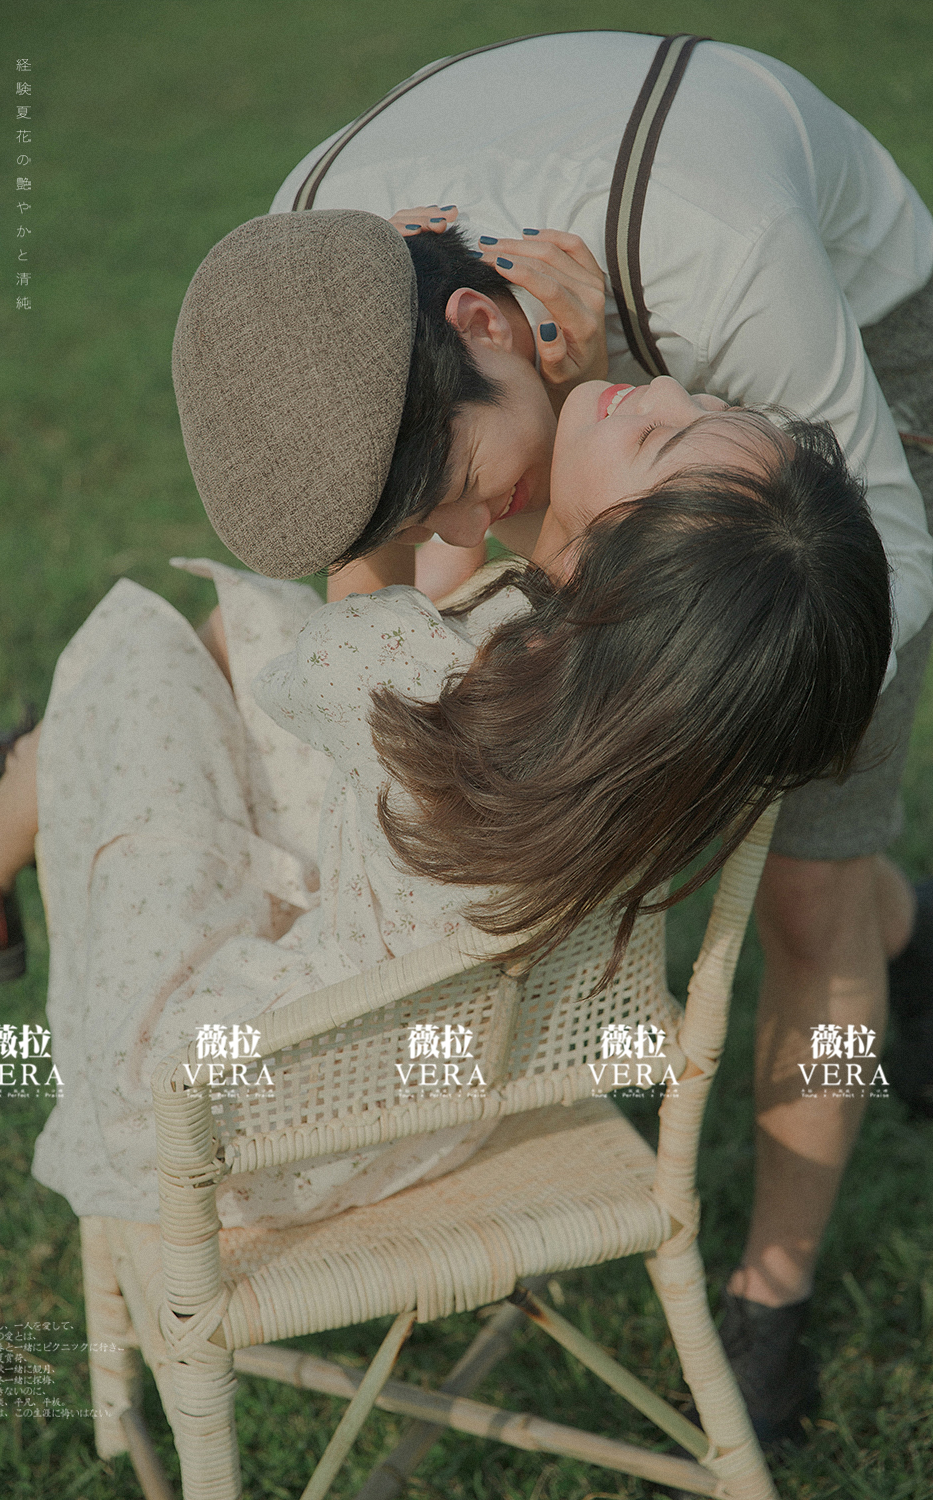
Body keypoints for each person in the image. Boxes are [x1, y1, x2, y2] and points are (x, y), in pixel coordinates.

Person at [165, 30, 933, 1446]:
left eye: (463, 489)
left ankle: (770, 1291)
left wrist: (691, 693)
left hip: (831, 454)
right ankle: (911, 935)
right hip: (635, 423)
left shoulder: (724, 266)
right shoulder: (313, 281)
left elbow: (883, 571)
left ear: (492, 324)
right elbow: (411, 588)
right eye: (422, 521)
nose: (461, 538)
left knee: (808, 890)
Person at [0, 385, 890, 1265]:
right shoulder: (659, 752)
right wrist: (555, 465)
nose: (666, 386)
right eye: (703, 404)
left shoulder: (410, 676)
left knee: (142, 668)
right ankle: (26, 787)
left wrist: (393, 428)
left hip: (222, 1106)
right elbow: (436, 605)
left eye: (657, 435)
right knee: (251, 625)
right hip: (444, 1092)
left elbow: (362, 593)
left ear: (612, 576)